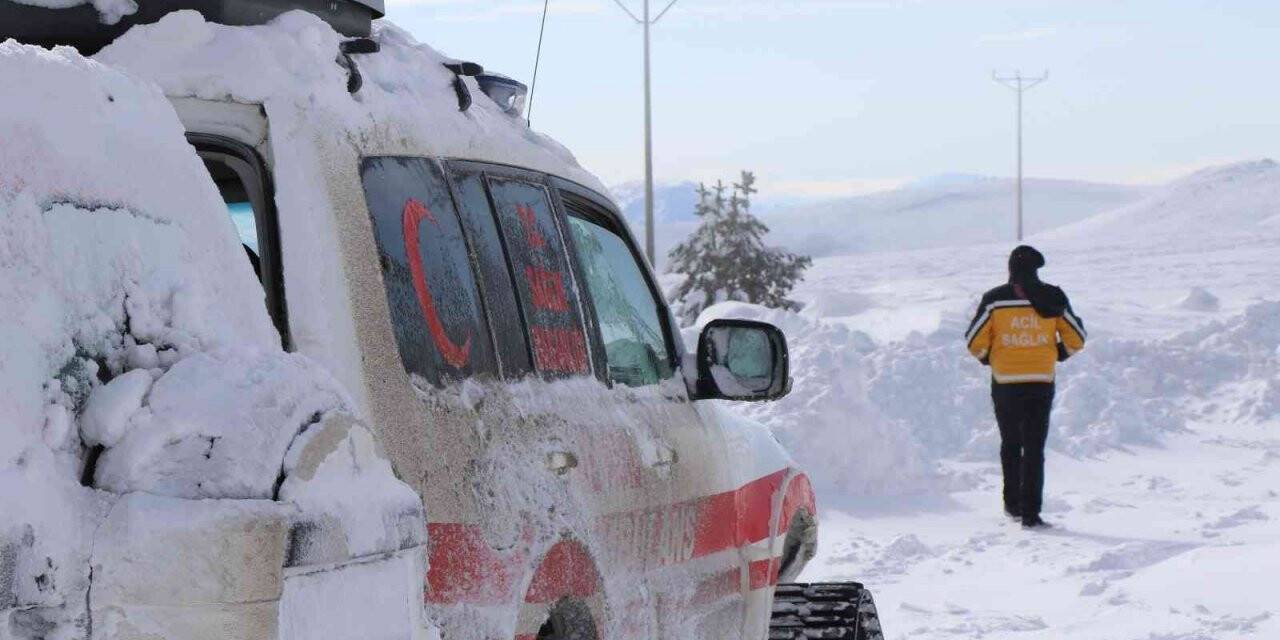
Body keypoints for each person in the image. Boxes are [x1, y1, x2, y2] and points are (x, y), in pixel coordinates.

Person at [965, 245, 1086, 529]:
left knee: (1011, 443)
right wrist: (1057, 353)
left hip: (1005, 382)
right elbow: (1077, 338)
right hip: (1040, 382)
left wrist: (989, 358)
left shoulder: (995, 300)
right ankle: (1031, 514)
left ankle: (1012, 504)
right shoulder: (1053, 297)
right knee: (1034, 447)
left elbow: (974, 341)